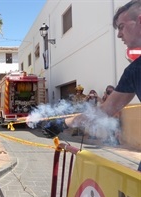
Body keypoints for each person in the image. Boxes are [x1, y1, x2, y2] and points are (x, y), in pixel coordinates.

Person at [49, 0, 141, 171]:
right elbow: (106, 110)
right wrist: (65, 123)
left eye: (121, 26)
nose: (119, 35)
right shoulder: (134, 71)